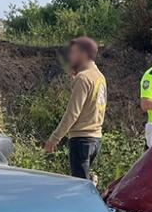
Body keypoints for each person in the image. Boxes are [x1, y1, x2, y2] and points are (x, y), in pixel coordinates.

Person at [44, 36, 108, 180]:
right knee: (84, 182)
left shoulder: (83, 78)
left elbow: (72, 113)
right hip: (95, 138)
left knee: (80, 187)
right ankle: (92, 184)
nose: (70, 57)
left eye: (73, 53)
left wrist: (54, 139)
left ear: (83, 54)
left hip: (81, 140)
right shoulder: (99, 76)